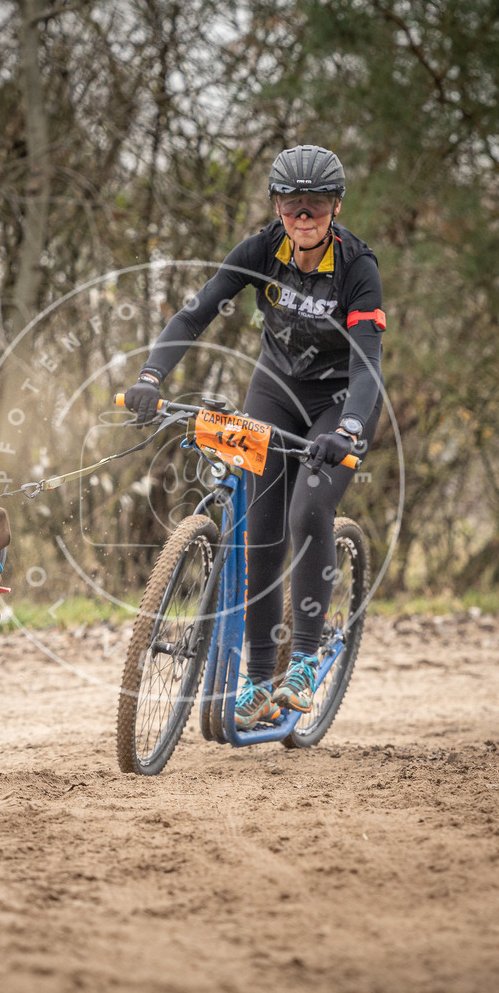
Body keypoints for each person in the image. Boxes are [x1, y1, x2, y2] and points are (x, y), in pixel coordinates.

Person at [123, 144, 385, 729]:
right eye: (292, 204)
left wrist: (347, 429)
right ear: (276, 206)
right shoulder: (262, 249)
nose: (304, 216)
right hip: (275, 390)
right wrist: (150, 376)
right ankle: (260, 680)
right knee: (260, 534)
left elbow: (368, 362)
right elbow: (194, 314)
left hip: (340, 401)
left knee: (308, 509)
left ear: (336, 207)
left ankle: (304, 662)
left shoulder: (357, 268)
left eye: (317, 204)